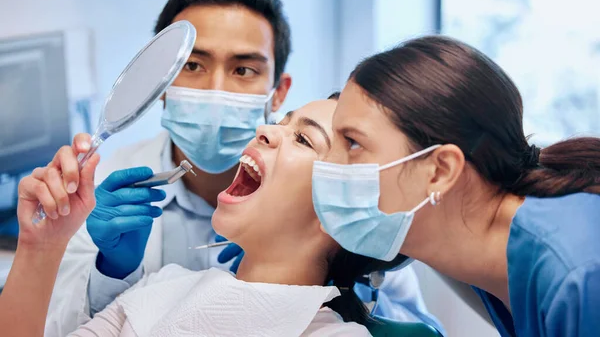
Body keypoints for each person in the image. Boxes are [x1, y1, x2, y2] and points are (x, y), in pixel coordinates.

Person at [46, 0, 440, 335]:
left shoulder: (348, 191)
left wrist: (335, 291)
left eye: (243, 70)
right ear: (162, 83)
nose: (216, 88)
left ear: (279, 90)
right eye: (194, 64)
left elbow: (410, 321)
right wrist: (113, 272)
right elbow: (56, 324)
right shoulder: (104, 192)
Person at [1, 97, 409, 336]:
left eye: (302, 139)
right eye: (281, 123)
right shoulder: (163, 288)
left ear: (340, 211)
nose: (265, 130)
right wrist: (42, 244)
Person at [312, 35, 600, 337]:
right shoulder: (480, 251)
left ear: (440, 170)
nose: (324, 164)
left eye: (353, 143)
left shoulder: (578, 272)